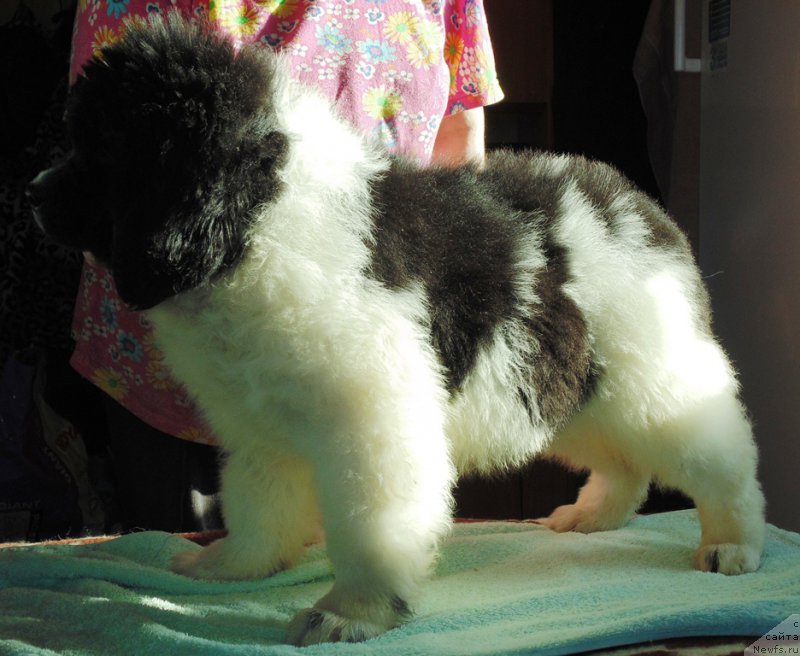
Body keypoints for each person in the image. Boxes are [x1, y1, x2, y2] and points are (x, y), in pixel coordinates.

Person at [68, 0, 503, 532]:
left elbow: (457, 147)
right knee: (198, 595)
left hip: (371, 377)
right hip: (194, 378)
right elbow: (107, 148)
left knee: (359, 580)